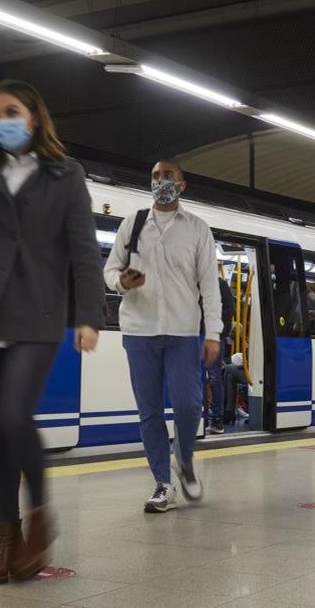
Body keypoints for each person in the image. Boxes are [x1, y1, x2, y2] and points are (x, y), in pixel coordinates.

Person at [0, 79, 104, 585]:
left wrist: (89, 315)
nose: (0, 121)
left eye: (10, 111)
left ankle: (39, 520)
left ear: (34, 116)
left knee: (15, 415)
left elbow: (83, 250)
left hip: (37, 313)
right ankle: (6, 536)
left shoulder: (65, 175)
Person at [104, 159, 222, 514]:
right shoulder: (133, 223)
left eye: (168, 176)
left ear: (181, 185)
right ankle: (163, 483)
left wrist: (213, 333)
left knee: (189, 405)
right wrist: (120, 282)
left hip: (183, 333)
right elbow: (109, 270)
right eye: (155, 175)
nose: (161, 181)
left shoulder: (198, 229)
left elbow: (210, 287)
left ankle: (183, 458)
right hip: (139, 331)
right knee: (150, 412)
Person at [205, 277, 236, 434]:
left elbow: (229, 310)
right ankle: (204, 419)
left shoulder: (219, 284)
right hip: (198, 335)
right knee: (204, 378)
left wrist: (217, 334)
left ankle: (217, 420)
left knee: (214, 378)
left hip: (214, 337)